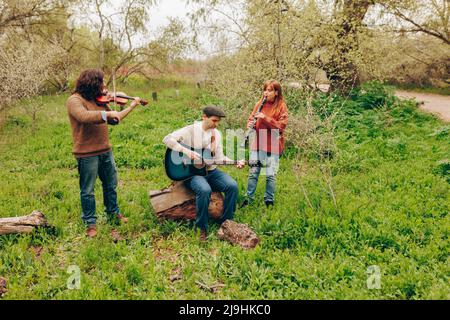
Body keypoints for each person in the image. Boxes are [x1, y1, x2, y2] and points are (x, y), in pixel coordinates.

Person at [67, 69, 142, 237]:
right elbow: (83, 116)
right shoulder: (74, 100)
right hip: (86, 153)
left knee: (110, 185)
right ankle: (90, 223)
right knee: (88, 190)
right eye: (101, 83)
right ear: (92, 83)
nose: (105, 87)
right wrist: (106, 113)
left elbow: (115, 119)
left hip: (105, 150)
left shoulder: (98, 100)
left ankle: (113, 213)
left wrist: (131, 106)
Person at [163, 106, 245, 242]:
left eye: (218, 121)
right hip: (191, 173)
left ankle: (227, 223)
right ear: (204, 117)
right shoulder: (190, 130)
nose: (216, 124)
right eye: (214, 120)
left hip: (211, 171)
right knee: (204, 189)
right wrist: (187, 152)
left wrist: (235, 162)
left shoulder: (216, 134)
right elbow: (167, 139)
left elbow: (219, 157)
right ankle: (201, 227)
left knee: (232, 186)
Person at [241, 80, 289, 208]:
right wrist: (250, 124)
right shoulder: (259, 104)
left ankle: (269, 200)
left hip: (273, 143)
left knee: (270, 174)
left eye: (269, 90)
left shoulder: (281, 106)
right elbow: (251, 118)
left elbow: (281, 127)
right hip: (258, 142)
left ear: (276, 92)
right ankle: (248, 198)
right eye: (265, 90)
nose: (266, 93)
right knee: (253, 171)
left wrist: (265, 118)